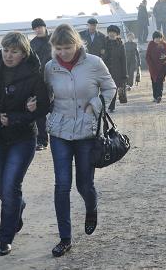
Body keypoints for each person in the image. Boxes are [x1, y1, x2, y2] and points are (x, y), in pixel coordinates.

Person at [0, 32, 48, 256]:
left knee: (11, 186)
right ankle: (18, 207)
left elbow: (43, 107)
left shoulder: (33, 73)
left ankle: (5, 238)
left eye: (14, 52)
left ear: (24, 54)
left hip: (22, 138)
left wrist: (19, 116)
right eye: (6, 50)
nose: (9, 55)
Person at [44, 24, 116, 257]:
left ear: (77, 43)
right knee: (62, 186)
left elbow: (109, 87)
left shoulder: (94, 63)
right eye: (58, 48)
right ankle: (65, 238)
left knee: (84, 184)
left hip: (87, 132)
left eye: (67, 47)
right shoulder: (50, 67)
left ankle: (91, 207)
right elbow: (44, 94)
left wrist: (94, 107)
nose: (63, 52)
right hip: (60, 132)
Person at [30, 18, 52, 151]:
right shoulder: (32, 43)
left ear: (44, 27)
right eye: (35, 28)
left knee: (56, 107)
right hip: (38, 81)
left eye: (39, 27)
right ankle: (42, 140)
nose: (37, 30)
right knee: (39, 111)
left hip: (55, 78)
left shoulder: (53, 40)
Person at [104, 25, 128, 112]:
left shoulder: (120, 45)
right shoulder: (104, 43)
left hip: (116, 71)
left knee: (114, 88)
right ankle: (106, 104)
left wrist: (124, 74)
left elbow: (123, 60)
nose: (111, 34)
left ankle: (111, 106)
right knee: (105, 88)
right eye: (110, 32)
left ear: (117, 34)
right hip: (104, 70)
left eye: (114, 32)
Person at [145, 31, 166, 103]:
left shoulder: (164, 44)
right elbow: (147, 56)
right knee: (154, 81)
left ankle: (159, 96)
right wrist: (150, 64)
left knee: (160, 81)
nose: (158, 39)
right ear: (153, 38)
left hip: (163, 66)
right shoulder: (150, 44)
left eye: (159, 38)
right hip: (153, 67)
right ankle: (155, 96)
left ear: (161, 38)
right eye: (156, 38)